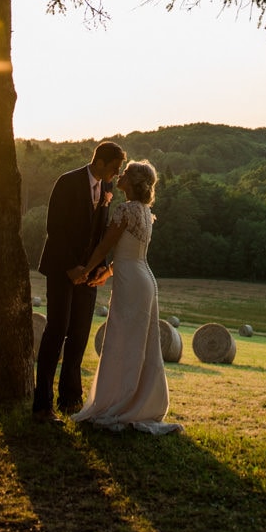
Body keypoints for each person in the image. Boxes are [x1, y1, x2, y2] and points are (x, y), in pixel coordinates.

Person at [70, 159, 182, 435]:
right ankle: (140, 402)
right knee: (142, 344)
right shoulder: (145, 212)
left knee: (122, 340)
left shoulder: (125, 210)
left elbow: (105, 247)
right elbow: (130, 254)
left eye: (126, 173)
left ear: (133, 182)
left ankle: (120, 403)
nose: (120, 175)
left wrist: (86, 270)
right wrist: (105, 274)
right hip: (145, 279)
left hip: (131, 282)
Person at [32, 140, 127, 423]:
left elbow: (99, 235)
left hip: (88, 274)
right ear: (99, 162)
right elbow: (55, 228)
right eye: (114, 167)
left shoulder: (107, 189)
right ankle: (42, 404)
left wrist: (96, 269)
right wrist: (71, 267)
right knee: (56, 331)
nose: (116, 173)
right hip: (63, 269)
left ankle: (70, 399)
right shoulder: (67, 182)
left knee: (80, 334)